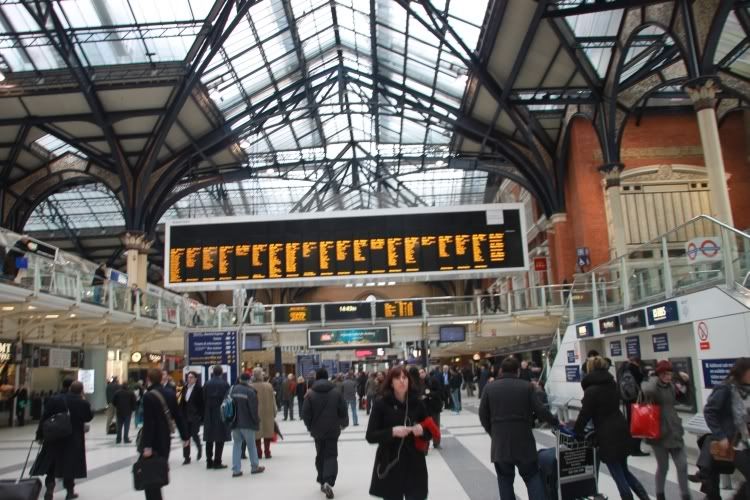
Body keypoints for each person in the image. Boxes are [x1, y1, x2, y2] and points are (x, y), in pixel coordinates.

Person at [479, 356, 559, 500]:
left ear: (501, 370)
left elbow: (482, 414)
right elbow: (540, 410)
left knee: (505, 481)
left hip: (501, 443)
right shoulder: (526, 386)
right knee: (532, 477)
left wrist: (493, 432)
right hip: (524, 441)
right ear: (517, 371)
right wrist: (556, 422)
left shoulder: (490, 388)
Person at [574, 356, 649, 500]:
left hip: (606, 434)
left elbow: (585, 414)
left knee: (617, 473)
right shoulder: (612, 384)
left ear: (589, 369)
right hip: (621, 428)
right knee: (625, 470)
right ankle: (644, 496)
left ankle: (627, 497)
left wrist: (577, 432)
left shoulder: (591, 391)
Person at [367, 366, 432, 500]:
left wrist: (422, 431)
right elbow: (371, 435)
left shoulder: (417, 403)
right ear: (391, 382)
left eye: (405, 377)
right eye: (397, 378)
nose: (402, 381)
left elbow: (430, 431)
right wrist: (392, 432)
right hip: (391, 461)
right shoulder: (381, 404)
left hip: (414, 462)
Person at [31, 379, 93, 500]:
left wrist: (40, 434)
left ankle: (50, 487)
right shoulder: (82, 402)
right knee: (69, 465)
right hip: (72, 439)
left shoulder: (55, 399)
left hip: (54, 437)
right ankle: (70, 491)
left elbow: (45, 417)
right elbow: (88, 417)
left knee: (52, 464)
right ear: (81, 391)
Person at [700, 357, 750, 498]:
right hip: (736, 442)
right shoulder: (726, 387)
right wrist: (721, 436)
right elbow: (709, 411)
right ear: (742, 372)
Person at [641, 360, 691, 500]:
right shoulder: (653, 385)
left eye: (670, 374)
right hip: (659, 433)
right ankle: (660, 494)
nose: (668, 377)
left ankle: (685, 495)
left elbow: (686, 399)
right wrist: (654, 377)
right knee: (663, 467)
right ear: (659, 374)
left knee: (682, 465)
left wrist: (685, 382)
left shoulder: (672, 386)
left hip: (674, 431)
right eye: (665, 374)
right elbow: (648, 390)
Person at [138, 368, 189, 500]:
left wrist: (147, 446)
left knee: (150, 475)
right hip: (165, 439)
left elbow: (149, 423)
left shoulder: (149, 396)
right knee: (159, 471)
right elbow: (178, 416)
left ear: (148, 379)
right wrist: (185, 436)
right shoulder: (171, 394)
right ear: (162, 379)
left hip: (152, 440)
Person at [302, 368, 348, 499]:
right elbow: (343, 410)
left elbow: (305, 413)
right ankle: (328, 480)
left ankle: (322, 479)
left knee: (320, 454)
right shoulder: (336, 392)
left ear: (316, 378)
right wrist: (342, 423)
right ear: (327, 377)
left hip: (317, 430)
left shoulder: (310, 394)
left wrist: (310, 426)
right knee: (331, 455)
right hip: (333, 430)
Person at [229, 372, 266, 477]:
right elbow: (253, 410)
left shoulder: (232, 389)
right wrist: (256, 421)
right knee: (251, 445)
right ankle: (254, 467)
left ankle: (236, 470)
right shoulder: (250, 392)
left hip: (235, 422)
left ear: (240, 379)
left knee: (236, 445)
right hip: (247, 423)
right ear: (249, 380)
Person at [619, 356, 649, 456]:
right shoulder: (635, 369)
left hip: (627, 401)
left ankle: (630, 448)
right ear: (637, 362)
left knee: (631, 424)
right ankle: (636, 449)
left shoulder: (622, 368)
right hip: (637, 400)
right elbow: (643, 383)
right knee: (638, 426)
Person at [203, 365, 231, 469]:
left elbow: (203, 398)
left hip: (209, 413)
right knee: (220, 438)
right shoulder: (224, 384)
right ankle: (217, 461)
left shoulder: (207, 384)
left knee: (209, 438)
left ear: (213, 373)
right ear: (221, 373)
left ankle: (209, 461)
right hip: (221, 413)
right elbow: (228, 400)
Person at [251, 367, 277, 459]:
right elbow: (273, 400)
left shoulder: (251, 386)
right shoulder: (268, 386)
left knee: (257, 434)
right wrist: (275, 411)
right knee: (267, 432)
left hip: (255, 413)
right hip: (268, 412)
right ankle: (267, 452)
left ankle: (258, 452)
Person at [179, 370, 204, 464]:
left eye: (191, 377)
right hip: (185, 416)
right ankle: (186, 457)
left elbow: (201, 403)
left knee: (194, 434)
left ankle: (199, 447)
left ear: (195, 379)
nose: (189, 379)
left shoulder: (199, 389)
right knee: (186, 437)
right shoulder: (183, 388)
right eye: (188, 377)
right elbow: (181, 402)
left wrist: (200, 416)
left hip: (194, 416)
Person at [419, 367, 443, 449]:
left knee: (435, 425)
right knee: (426, 426)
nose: (421, 374)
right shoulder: (418, 383)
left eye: (422, 372)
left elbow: (439, 391)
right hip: (425, 408)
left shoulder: (433, 380)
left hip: (434, 407)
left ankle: (436, 443)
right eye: (419, 373)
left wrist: (429, 394)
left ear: (425, 372)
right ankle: (426, 444)